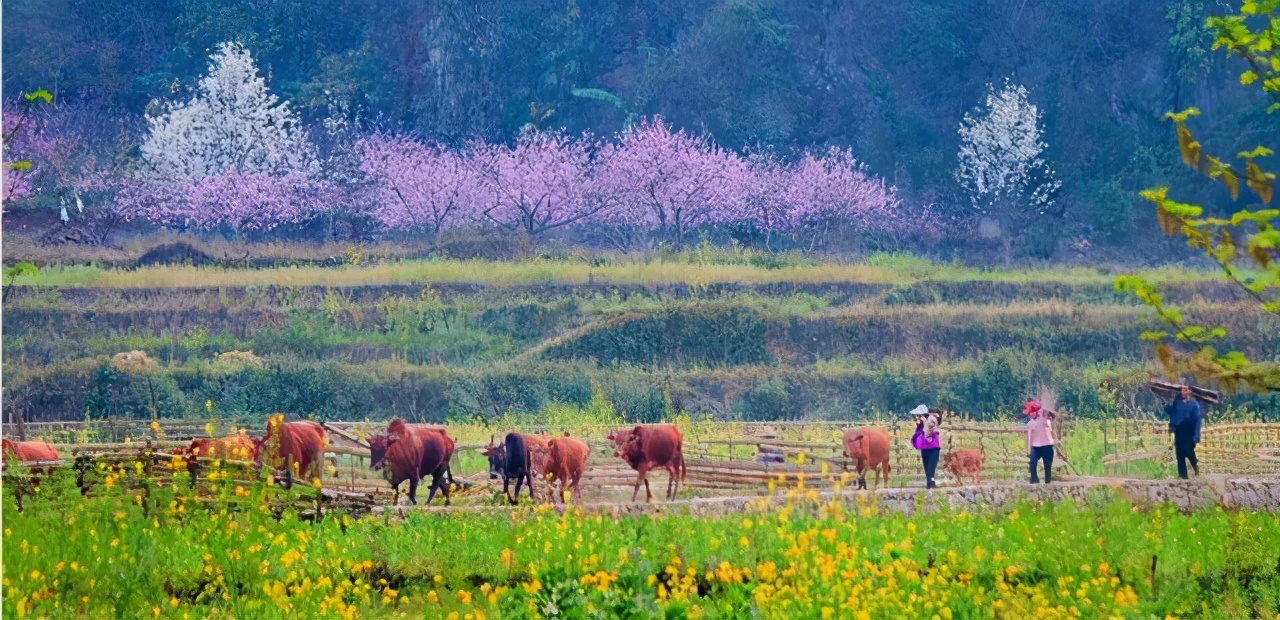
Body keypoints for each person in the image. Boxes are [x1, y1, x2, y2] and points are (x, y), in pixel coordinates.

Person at [1165, 384, 1202, 479]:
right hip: (1179, 431)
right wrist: (1166, 407)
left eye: (1185, 390)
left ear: (1189, 391)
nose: (1183, 392)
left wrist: (1196, 436)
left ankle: (1195, 466)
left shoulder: (1194, 405)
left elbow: (1197, 421)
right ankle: (1183, 475)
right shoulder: (1178, 402)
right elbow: (1173, 412)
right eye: (1182, 390)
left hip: (1189, 432)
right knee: (1180, 453)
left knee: (1189, 451)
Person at [910, 404, 941, 488]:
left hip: (934, 447)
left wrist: (925, 423)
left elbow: (933, 430)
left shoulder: (932, 420)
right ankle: (930, 485)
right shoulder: (920, 423)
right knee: (927, 468)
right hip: (925, 448)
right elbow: (918, 433)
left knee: (931, 468)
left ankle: (930, 485)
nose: (918, 417)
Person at [1025, 399, 1055, 484]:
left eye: (1033, 412)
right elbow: (1029, 438)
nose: (1031, 414)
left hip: (1047, 445)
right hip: (1036, 446)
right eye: (1030, 412)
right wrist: (1029, 451)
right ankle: (1034, 480)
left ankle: (1048, 483)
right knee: (1032, 464)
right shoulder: (1030, 423)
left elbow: (1050, 415)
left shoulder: (1044, 418)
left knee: (1047, 466)